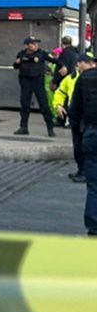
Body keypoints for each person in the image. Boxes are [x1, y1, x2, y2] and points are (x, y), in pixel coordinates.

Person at [66, 57, 97, 236]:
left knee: (94, 185)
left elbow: (74, 110)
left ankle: (93, 227)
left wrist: (78, 135)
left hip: (91, 134)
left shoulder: (84, 79)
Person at [54, 53, 95, 184]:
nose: (89, 65)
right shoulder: (71, 78)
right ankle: (80, 170)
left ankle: (85, 173)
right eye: (85, 63)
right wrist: (58, 105)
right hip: (76, 117)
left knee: (85, 148)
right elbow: (60, 92)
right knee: (77, 147)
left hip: (87, 118)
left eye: (90, 63)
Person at [13, 36, 56, 137]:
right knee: (25, 105)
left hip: (38, 82)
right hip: (25, 82)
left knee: (44, 105)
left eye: (36, 43)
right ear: (27, 45)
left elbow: (54, 61)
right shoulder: (21, 54)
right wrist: (16, 63)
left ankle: (50, 128)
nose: (36, 45)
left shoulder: (42, 53)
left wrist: (63, 66)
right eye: (33, 43)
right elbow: (15, 66)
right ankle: (23, 127)